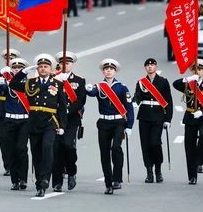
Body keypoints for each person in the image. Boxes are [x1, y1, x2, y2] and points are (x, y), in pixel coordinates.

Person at [9, 54, 67, 197]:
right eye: (40, 67)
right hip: (34, 122)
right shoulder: (31, 82)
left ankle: (46, 178)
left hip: (50, 121)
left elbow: (62, 107)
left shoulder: (57, 84)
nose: (42, 69)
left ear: (50, 69)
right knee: (36, 154)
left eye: (45, 67)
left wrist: (62, 126)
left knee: (47, 148)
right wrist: (23, 72)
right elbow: (13, 84)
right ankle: (39, 185)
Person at [85, 59, 134, 195]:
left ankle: (117, 179)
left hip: (118, 122)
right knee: (104, 153)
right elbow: (92, 93)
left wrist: (129, 126)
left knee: (116, 148)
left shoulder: (122, 87)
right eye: (106, 69)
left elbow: (129, 107)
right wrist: (88, 89)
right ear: (103, 72)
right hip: (104, 123)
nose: (108, 71)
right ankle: (108, 183)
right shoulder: (99, 86)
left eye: (111, 69)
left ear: (115, 71)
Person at [172, 59, 203, 185]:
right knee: (189, 146)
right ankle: (192, 176)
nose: (198, 71)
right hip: (190, 116)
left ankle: (199, 162)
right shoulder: (188, 84)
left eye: (200, 69)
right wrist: (188, 79)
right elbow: (175, 84)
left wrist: (202, 112)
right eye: (195, 69)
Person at [133, 58, 173, 183]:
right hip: (144, 117)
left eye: (152, 65)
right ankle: (149, 172)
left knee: (155, 143)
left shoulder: (163, 82)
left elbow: (168, 101)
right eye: (147, 65)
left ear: (156, 67)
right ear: (145, 68)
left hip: (158, 116)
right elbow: (138, 95)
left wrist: (168, 119)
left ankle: (158, 170)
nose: (150, 67)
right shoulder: (141, 82)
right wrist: (135, 102)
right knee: (145, 145)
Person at [52, 51, 86, 192]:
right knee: (56, 149)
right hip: (55, 119)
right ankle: (57, 181)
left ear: (72, 64)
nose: (65, 65)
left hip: (71, 118)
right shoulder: (54, 79)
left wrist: (68, 110)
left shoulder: (79, 80)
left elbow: (81, 100)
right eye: (63, 63)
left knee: (68, 145)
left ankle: (72, 172)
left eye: (68, 63)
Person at [0, 57, 30, 191]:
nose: (16, 70)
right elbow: (0, 86)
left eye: (19, 68)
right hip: (9, 120)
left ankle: (23, 179)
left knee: (22, 148)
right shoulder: (7, 82)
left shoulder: (30, 84)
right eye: (14, 68)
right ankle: (15, 180)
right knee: (11, 150)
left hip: (24, 120)